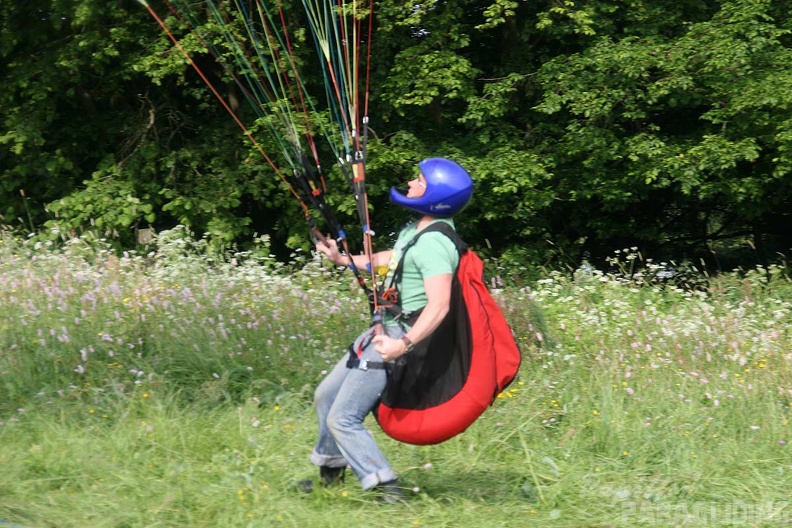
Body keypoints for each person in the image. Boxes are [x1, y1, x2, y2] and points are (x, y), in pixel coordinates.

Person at [301, 157, 474, 501]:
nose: (410, 183)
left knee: (344, 417)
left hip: (397, 338)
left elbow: (439, 305)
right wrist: (342, 260)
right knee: (326, 395)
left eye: (419, 181)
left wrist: (403, 344)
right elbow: (392, 259)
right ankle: (331, 474)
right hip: (384, 328)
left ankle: (387, 488)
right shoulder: (418, 229)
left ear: (436, 196)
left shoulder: (436, 243)